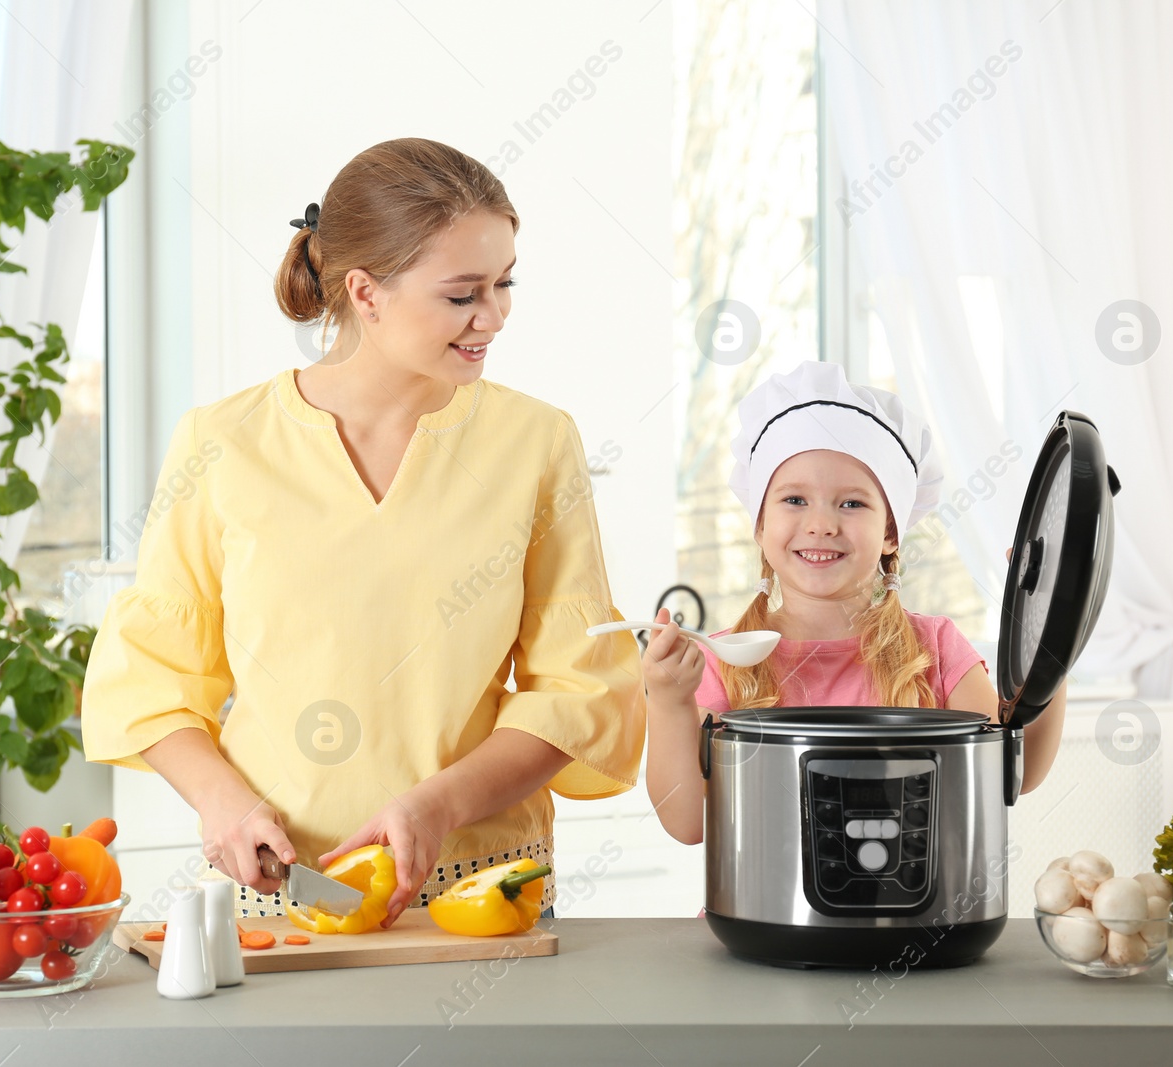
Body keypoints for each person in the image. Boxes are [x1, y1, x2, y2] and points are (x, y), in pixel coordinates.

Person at [81, 138, 644, 924]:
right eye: (463, 294)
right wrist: (223, 805)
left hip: (480, 887)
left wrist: (439, 806)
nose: (496, 314)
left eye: (505, 282)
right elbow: (151, 677)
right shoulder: (222, 442)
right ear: (365, 291)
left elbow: (580, 690)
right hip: (277, 889)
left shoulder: (537, 442)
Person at [640, 361, 1065, 845]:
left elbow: (1013, 771)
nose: (821, 524)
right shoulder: (719, 661)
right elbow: (689, 824)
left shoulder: (937, 648)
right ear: (760, 525)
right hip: (758, 919)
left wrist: (1052, 631)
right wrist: (671, 702)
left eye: (851, 503)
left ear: (890, 532)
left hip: (913, 919)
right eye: (795, 500)